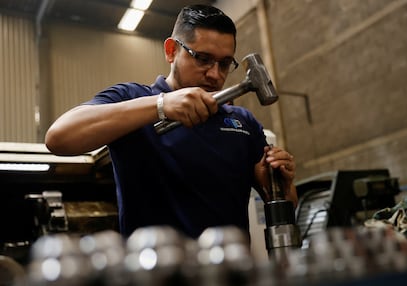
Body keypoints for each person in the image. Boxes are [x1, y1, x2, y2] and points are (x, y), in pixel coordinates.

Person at [45, 4, 298, 239]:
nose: (214, 74)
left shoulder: (243, 123)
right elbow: (58, 138)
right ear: (171, 51)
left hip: (228, 270)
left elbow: (283, 204)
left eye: (224, 64)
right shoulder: (132, 99)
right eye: (202, 58)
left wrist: (282, 185)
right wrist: (161, 105)